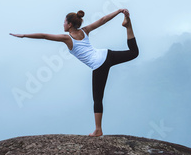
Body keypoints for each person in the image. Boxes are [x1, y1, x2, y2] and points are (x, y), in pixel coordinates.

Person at [10, 9, 138, 137]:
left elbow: (44, 36)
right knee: (134, 53)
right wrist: (119, 11)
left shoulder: (67, 38)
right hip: (106, 54)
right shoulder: (85, 31)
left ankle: (98, 130)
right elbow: (103, 20)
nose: (63, 24)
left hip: (99, 64)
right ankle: (128, 25)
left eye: (64, 22)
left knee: (97, 99)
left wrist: (24, 35)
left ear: (70, 24)